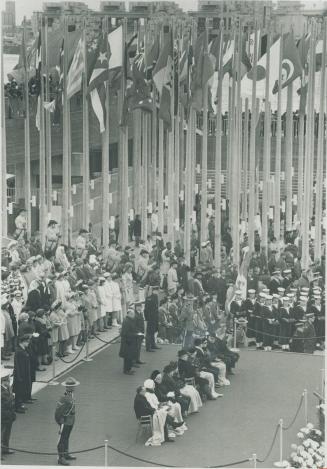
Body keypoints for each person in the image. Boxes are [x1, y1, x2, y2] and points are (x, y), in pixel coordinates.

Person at [55, 377, 79, 465]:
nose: (74, 387)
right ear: (68, 387)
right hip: (65, 421)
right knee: (62, 439)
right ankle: (60, 457)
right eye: (73, 386)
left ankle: (65, 453)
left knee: (66, 437)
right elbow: (58, 412)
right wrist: (60, 422)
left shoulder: (71, 394)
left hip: (70, 420)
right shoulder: (64, 397)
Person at [13, 334, 32, 413]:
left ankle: (20, 405)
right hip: (20, 374)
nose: (28, 343)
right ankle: (17, 407)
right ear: (22, 342)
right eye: (27, 342)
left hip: (24, 374)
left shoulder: (22, 350)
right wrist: (19, 376)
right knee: (19, 391)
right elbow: (17, 365)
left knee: (21, 390)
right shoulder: (19, 351)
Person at [1, 368, 16, 459]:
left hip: (9, 415)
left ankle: (5, 449)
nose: (9, 381)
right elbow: (7, 401)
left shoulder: (7, 388)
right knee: (2, 434)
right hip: (3, 415)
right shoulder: (1, 391)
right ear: (3, 381)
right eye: (8, 380)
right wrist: (12, 395)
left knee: (7, 433)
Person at [119, 306, 138, 375]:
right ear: (129, 314)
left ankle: (129, 369)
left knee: (130, 357)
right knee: (127, 357)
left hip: (130, 341)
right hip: (127, 342)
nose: (134, 316)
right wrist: (135, 334)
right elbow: (125, 333)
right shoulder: (126, 321)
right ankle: (126, 370)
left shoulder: (129, 320)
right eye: (132, 314)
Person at [144, 286, 160, 352]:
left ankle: (153, 344)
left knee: (152, 331)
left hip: (154, 317)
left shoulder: (150, 297)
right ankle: (148, 347)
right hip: (151, 317)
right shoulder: (152, 297)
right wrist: (147, 318)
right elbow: (146, 310)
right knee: (149, 332)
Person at [134, 300, 146, 365]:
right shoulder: (135, 315)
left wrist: (143, 332)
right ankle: (134, 361)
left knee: (138, 348)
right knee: (135, 348)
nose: (139, 308)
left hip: (141, 333)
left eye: (140, 306)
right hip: (137, 334)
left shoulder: (140, 313)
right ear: (135, 307)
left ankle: (137, 360)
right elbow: (134, 325)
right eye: (138, 306)